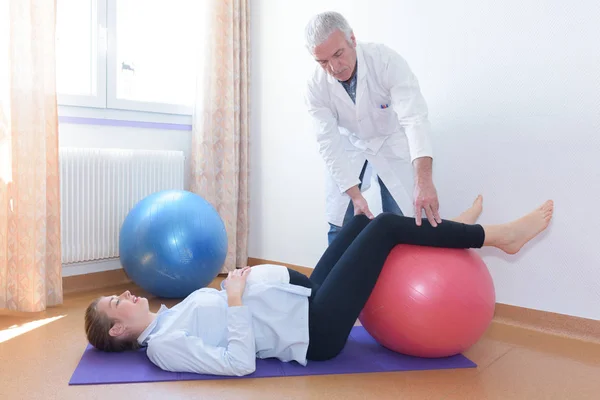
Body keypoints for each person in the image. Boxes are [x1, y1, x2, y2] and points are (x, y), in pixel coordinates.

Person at [84, 196, 554, 377]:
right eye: (115, 303)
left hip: (303, 296)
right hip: (315, 329)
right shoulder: (164, 347)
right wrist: (232, 298)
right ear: (120, 331)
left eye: (116, 294)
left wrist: (239, 291)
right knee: (386, 227)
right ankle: (496, 237)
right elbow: (237, 363)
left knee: (360, 220)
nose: (124, 295)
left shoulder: (169, 317)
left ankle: (447, 233)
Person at [304, 11, 441, 245]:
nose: (334, 68)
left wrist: (424, 181)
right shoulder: (316, 86)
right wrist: (355, 195)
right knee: (340, 222)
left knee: (402, 219)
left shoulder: (386, 61)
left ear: (352, 40)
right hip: (349, 146)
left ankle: (397, 279)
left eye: (338, 54)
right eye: (323, 62)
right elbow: (328, 142)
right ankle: (333, 281)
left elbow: (414, 118)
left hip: (389, 142)